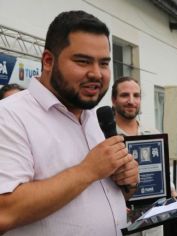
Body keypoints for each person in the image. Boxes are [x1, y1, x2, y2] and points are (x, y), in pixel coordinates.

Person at [0, 11, 139, 236]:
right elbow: (4, 212)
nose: (96, 73)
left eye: (103, 63)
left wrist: (127, 183)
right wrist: (88, 170)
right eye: (83, 61)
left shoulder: (95, 118)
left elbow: (92, 200)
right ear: (48, 61)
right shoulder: (9, 117)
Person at [111, 76, 177, 236]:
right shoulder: (105, 137)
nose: (131, 101)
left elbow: (164, 176)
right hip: (121, 221)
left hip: (154, 220)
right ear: (114, 100)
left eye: (136, 95)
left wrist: (172, 194)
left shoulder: (154, 135)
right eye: (125, 95)